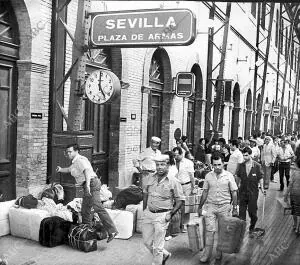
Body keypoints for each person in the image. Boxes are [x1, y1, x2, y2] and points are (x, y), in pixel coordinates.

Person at [56, 143, 118, 243]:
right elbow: (69, 169)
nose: (68, 153)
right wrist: (60, 169)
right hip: (88, 185)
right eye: (67, 152)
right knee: (85, 210)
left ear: (76, 151)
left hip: (91, 183)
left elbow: (87, 172)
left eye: (70, 151)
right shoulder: (74, 162)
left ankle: (112, 231)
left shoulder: (80, 160)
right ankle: (88, 234)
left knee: (97, 206)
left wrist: (88, 185)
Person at [142, 154, 184, 265]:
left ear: (168, 166)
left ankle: (157, 262)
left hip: (162, 215)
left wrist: (171, 214)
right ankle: (164, 255)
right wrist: (144, 210)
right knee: (146, 242)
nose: (159, 167)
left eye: (162, 164)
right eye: (157, 165)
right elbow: (145, 194)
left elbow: (180, 200)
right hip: (148, 213)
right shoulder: (149, 178)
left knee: (158, 246)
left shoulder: (173, 181)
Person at [198, 152, 238, 262]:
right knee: (210, 231)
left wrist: (234, 208)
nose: (217, 167)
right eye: (214, 165)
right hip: (210, 206)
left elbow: (234, 193)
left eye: (219, 164)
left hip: (225, 207)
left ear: (223, 164)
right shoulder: (208, 176)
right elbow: (205, 192)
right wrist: (200, 206)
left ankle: (219, 252)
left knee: (222, 232)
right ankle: (206, 255)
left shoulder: (229, 176)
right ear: (212, 164)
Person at [236, 147, 265, 236]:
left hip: (253, 193)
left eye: (246, 155)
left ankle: (252, 226)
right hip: (242, 192)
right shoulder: (241, 165)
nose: (245, 157)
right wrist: (236, 186)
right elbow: (238, 177)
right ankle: (241, 230)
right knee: (241, 212)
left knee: (252, 212)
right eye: (243, 155)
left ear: (250, 155)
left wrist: (262, 188)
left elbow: (260, 178)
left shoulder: (257, 166)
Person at [173, 146, 195, 232]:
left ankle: (184, 225)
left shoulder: (188, 163)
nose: (175, 157)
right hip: (176, 186)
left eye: (177, 155)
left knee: (185, 206)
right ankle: (176, 225)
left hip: (186, 185)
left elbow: (192, 176)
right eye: (174, 155)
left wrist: (193, 188)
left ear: (182, 154)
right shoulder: (173, 162)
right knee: (176, 205)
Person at [284, 157, 300, 233]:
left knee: (295, 211)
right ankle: (298, 228)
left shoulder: (294, 173)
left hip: (294, 194)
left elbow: (290, 185)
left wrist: (286, 195)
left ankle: (295, 225)